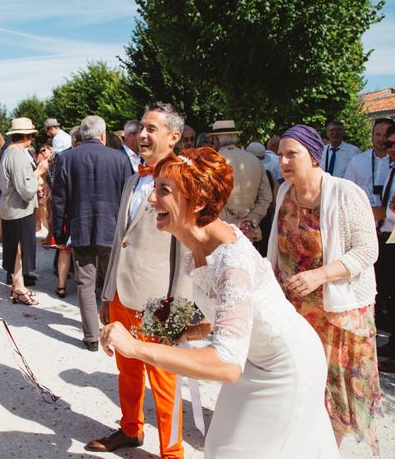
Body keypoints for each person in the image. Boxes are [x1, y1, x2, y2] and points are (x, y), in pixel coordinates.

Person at [101, 148, 339, 458]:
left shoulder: (232, 263)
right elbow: (223, 314)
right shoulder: (196, 246)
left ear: (197, 202)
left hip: (285, 367)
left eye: (164, 191)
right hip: (251, 361)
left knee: (235, 451)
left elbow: (226, 364)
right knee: (219, 446)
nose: (151, 199)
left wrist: (135, 348)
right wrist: (178, 330)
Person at [268, 125, 381, 453]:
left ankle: (328, 451)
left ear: (314, 157)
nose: (284, 162)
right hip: (297, 310)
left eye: (292, 154)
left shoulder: (345, 193)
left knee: (334, 390)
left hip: (338, 313)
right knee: (301, 384)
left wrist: (319, 276)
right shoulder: (283, 193)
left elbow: (366, 251)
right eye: (281, 155)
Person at [86, 103, 190, 458]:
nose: (142, 135)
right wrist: (105, 293)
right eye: (141, 128)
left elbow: (188, 251)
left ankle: (172, 451)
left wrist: (179, 307)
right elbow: (121, 240)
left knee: (164, 382)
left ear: (174, 137)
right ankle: (130, 429)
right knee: (126, 371)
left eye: (152, 129)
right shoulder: (133, 178)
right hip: (121, 296)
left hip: (161, 300)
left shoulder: (184, 180)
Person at [52, 115, 133, 350]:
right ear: (103, 135)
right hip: (113, 229)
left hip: (82, 227)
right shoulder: (119, 159)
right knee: (113, 283)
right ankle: (115, 332)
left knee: (85, 284)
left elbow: (59, 201)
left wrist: (57, 233)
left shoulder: (67, 158)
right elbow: (129, 198)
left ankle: (91, 337)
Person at [0, 117, 48, 305]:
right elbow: (26, 190)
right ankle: (18, 287)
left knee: (15, 247)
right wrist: (38, 173)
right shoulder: (17, 155)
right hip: (19, 209)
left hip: (12, 208)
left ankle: (17, 285)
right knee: (19, 248)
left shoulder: (10, 152)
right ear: (28, 136)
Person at [208, 120, 272, 246]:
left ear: (216, 140)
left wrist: (235, 223)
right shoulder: (254, 160)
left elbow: (211, 199)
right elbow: (266, 197)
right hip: (249, 232)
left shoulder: (212, 163)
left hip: (222, 232)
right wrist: (250, 220)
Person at [374, 125, 395, 371]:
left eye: (391, 144)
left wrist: (382, 214)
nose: (388, 148)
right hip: (388, 234)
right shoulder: (388, 168)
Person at [344, 118, 393, 206]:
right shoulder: (356, 161)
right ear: (372, 136)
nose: (381, 139)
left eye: (385, 135)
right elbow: (346, 191)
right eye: (378, 134)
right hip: (362, 215)